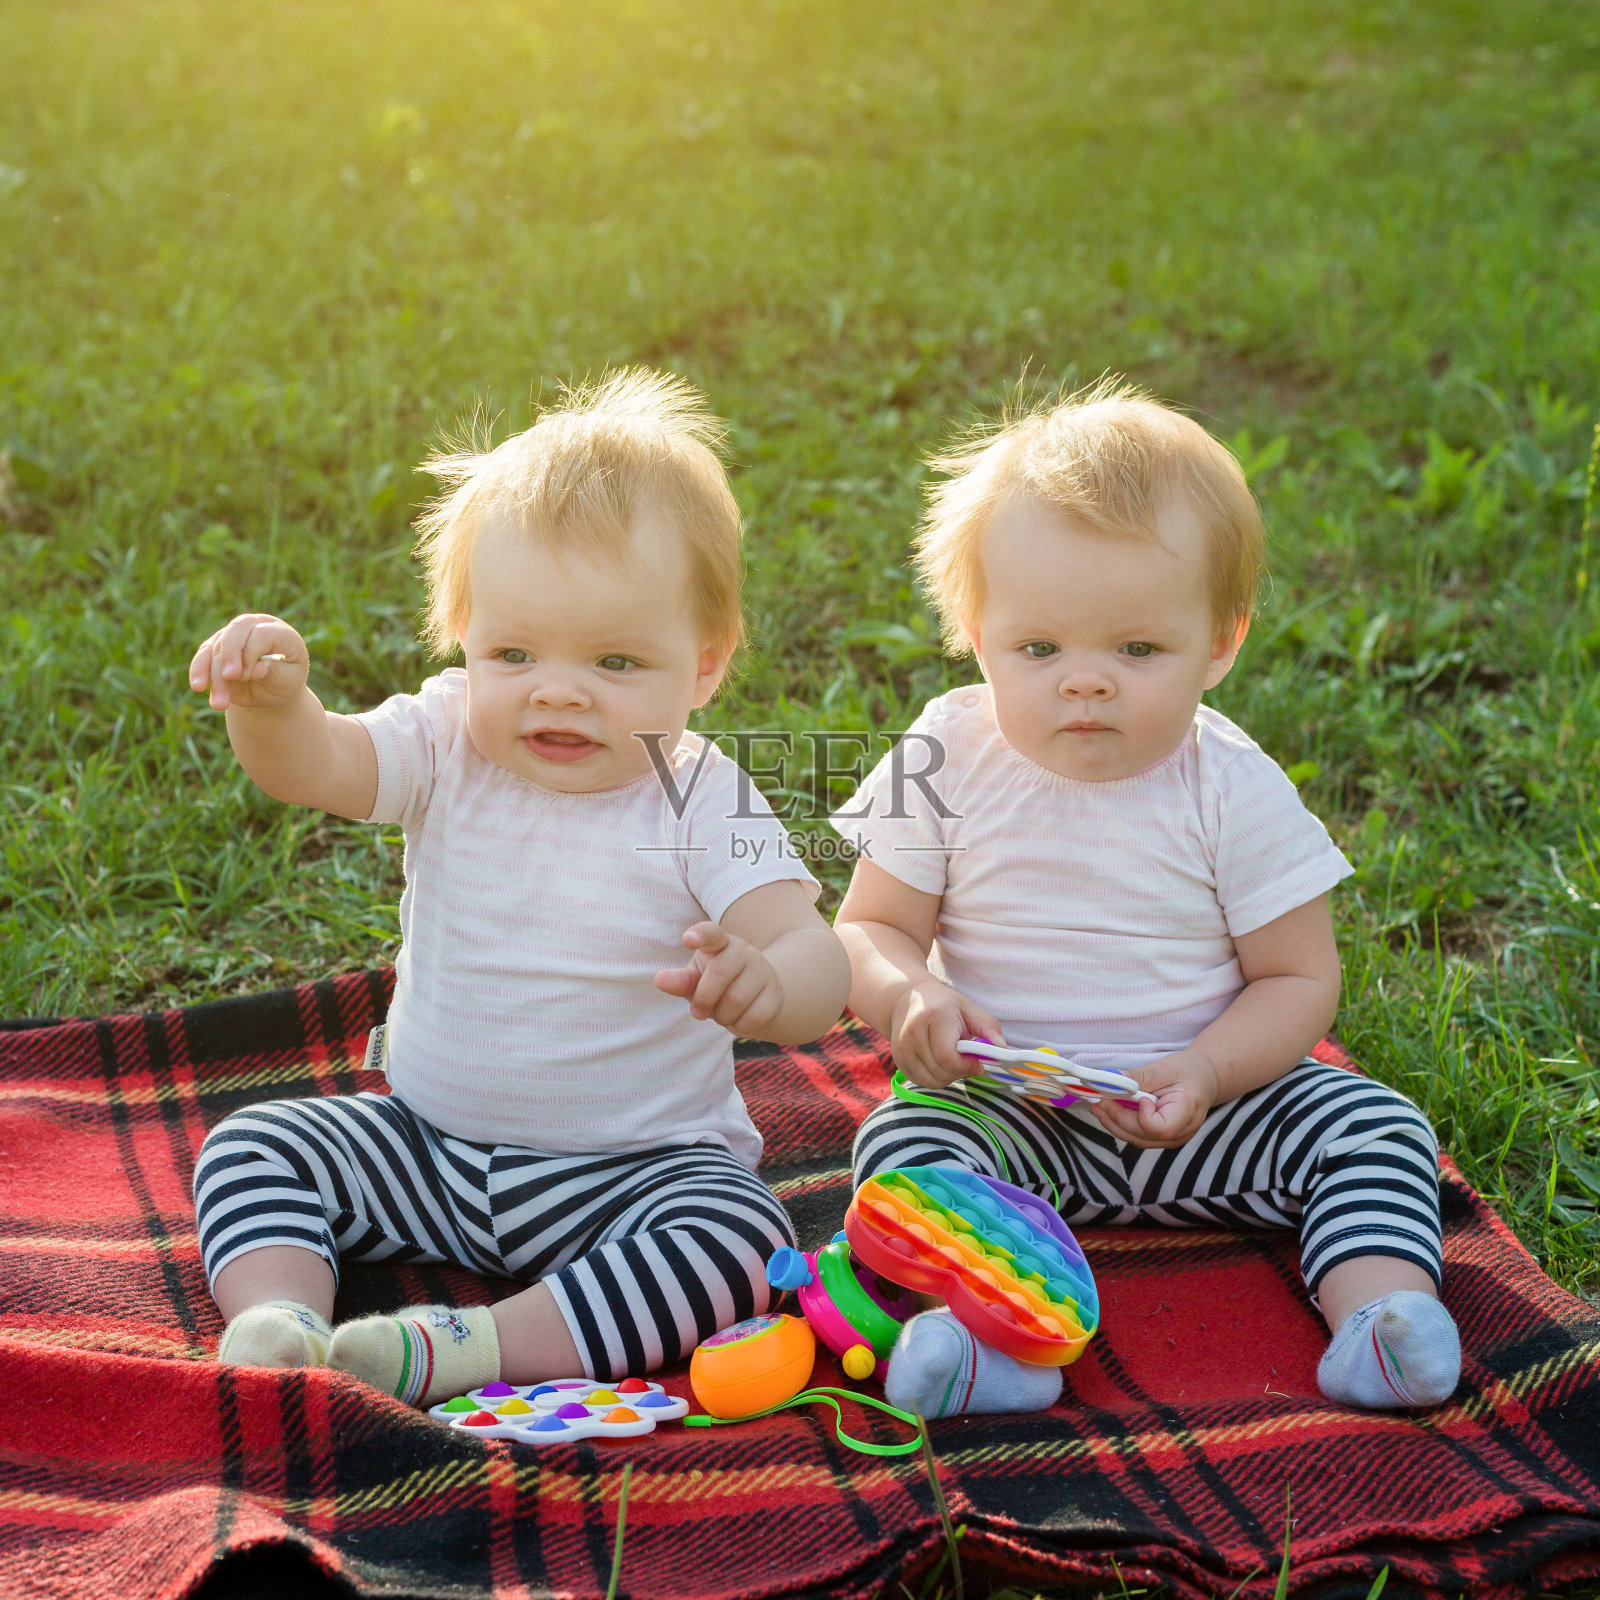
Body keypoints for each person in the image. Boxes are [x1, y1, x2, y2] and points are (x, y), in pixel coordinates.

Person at [189, 369, 851, 1406]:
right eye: (513, 650)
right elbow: (315, 764)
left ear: (704, 667)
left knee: (736, 1241)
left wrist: (770, 982)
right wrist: (274, 706)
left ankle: (463, 1347)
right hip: (426, 1148)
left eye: (616, 660)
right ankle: (283, 1322)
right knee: (256, 1143)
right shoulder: (447, 737)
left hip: (633, 1174)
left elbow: (813, 951)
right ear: (464, 636)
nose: (557, 688)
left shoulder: (701, 794)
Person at [830, 379, 1459, 1418]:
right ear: (976, 633)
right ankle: (989, 1345)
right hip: (1017, 1110)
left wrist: (1210, 1068)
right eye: (1039, 649)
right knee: (903, 1148)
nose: (1086, 682)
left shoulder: (1230, 783)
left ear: (1219, 642)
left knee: (1372, 1125)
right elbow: (869, 926)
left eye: (1135, 648)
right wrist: (907, 1002)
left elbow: (1297, 977)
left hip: (1214, 1109)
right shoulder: (942, 749)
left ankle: (1380, 1319)